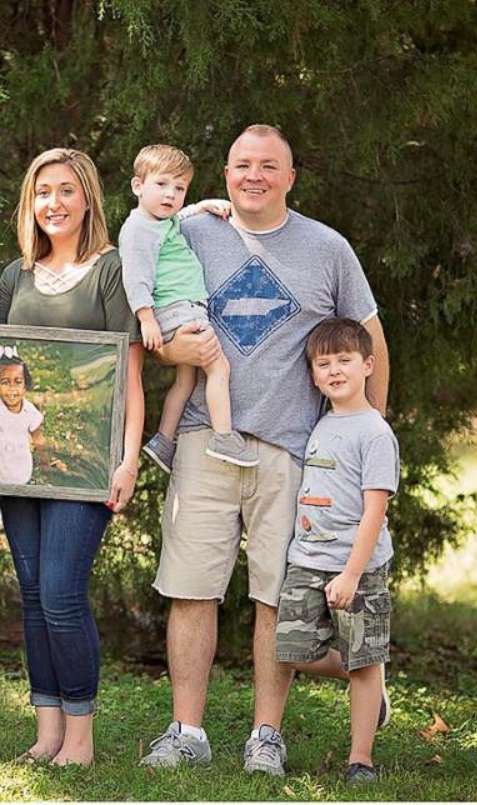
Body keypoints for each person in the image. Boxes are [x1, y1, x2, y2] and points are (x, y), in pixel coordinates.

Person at [140, 124, 390, 774]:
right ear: (225, 173)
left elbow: (370, 336)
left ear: (290, 175)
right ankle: (187, 729)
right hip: (204, 438)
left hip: (292, 452)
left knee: (276, 598)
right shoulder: (188, 232)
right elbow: (151, 304)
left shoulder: (326, 248)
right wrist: (173, 348)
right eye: (242, 164)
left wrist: (369, 430)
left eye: (268, 165)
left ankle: (266, 735)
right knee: (192, 589)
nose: (254, 175)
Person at [0, 147, 145, 766]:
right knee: (31, 592)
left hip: (86, 460)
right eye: (42, 192)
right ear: (30, 204)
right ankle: (47, 729)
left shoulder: (112, 271)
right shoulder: (14, 277)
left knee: (60, 592)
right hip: (16, 459)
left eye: (66, 191)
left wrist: (129, 459)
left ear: (88, 200)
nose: (54, 203)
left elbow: (131, 376)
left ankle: (79, 738)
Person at [274, 317, 396, 785]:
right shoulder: (321, 424)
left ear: (368, 365)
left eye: (345, 360)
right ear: (313, 375)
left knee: (364, 659)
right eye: (323, 364)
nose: (334, 371)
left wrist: (349, 574)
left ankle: (360, 758)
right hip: (307, 560)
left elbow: (374, 513)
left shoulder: (374, 432)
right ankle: (370, 679)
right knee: (290, 651)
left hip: (357, 568)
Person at [119, 144, 256, 470]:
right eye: (162, 185)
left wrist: (201, 206)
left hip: (182, 309)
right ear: (138, 186)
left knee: (187, 380)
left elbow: (175, 218)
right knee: (218, 368)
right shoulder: (138, 229)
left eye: (179, 188)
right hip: (177, 309)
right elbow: (135, 277)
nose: (170, 195)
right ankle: (224, 437)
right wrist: (146, 318)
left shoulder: (157, 222)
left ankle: (164, 441)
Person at [0, 345, 43, 485]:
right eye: (5, 382)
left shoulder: (30, 412)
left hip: (23, 470)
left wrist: (44, 462)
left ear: (25, 386)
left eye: (18, 382)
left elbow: (38, 438)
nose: (12, 388)